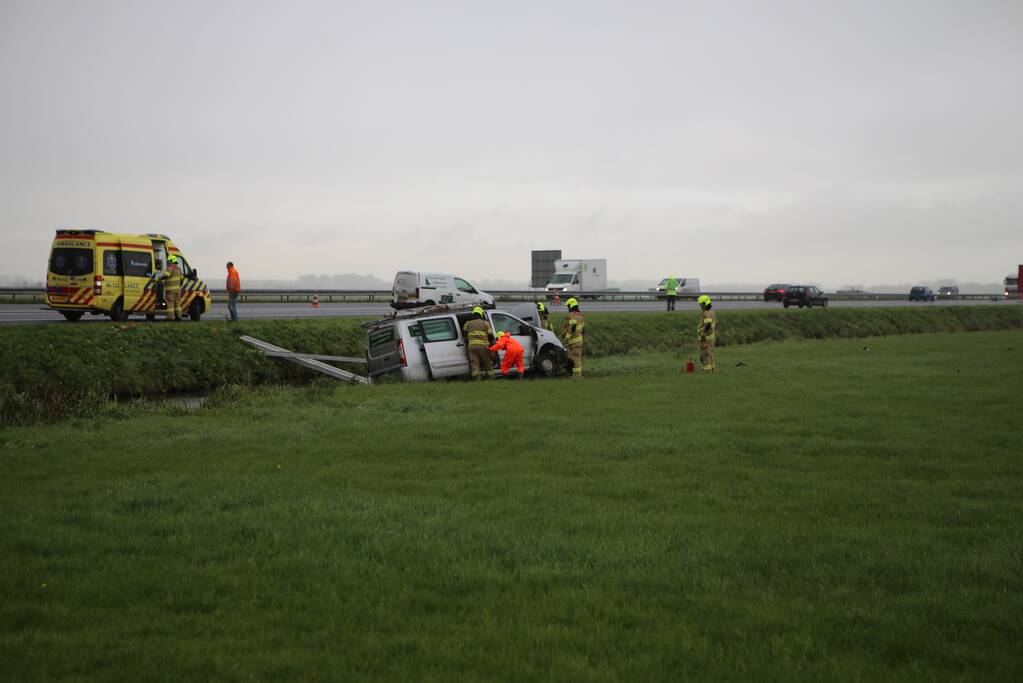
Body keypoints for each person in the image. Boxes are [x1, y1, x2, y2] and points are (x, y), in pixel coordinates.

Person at [462, 306, 495, 380]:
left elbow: (464, 332)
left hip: (472, 347)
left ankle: (477, 379)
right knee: (488, 363)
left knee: (474, 363)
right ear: (481, 314)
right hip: (483, 346)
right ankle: (491, 378)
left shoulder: (468, 323)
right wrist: (492, 345)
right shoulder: (485, 323)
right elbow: (490, 336)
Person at [562, 297, 585, 378]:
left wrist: (566, 338)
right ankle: (577, 375)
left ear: (571, 306)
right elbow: (583, 329)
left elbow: (572, 328)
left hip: (573, 342)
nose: (567, 308)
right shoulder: (580, 316)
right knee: (577, 358)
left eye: (568, 306)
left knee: (575, 359)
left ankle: (576, 376)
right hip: (579, 341)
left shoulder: (572, 316)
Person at [159, 255, 183, 321]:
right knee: (177, 304)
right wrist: (179, 286)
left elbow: (166, 275)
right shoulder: (179, 269)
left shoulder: (170, 268)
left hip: (170, 289)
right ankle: (178, 317)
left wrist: (159, 278)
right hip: (177, 290)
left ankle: (170, 318)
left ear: (171, 261)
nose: (168, 262)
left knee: (170, 304)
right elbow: (182, 279)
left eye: (168, 261)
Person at [697, 294, 716, 372]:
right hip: (711, 338)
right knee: (710, 354)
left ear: (704, 304)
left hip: (705, 338)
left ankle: (707, 370)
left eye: (700, 304)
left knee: (705, 355)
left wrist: (702, 333)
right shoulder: (712, 312)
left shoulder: (705, 313)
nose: (700, 306)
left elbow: (708, 323)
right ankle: (712, 369)